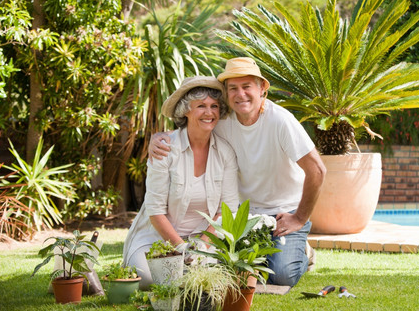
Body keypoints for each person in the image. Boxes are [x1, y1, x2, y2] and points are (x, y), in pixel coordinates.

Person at [148, 57, 326, 287]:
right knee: (236, 272)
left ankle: (305, 253)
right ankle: (269, 254)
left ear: (262, 88)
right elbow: (192, 124)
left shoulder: (281, 121)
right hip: (243, 215)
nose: (240, 94)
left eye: (246, 86)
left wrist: (299, 217)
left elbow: (318, 170)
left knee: (280, 276)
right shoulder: (222, 120)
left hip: (284, 213)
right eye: (233, 88)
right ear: (226, 93)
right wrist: (159, 138)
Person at [123, 76, 239, 290]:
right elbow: (155, 210)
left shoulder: (225, 153)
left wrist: (201, 245)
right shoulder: (164, 148)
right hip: (158, 237)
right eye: (201, 106)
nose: (209, 112)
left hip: (204, 239)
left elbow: (228, 209)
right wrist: (182, 248)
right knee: (148, 279)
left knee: (217, 277)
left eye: (214, 106)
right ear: (185, 110)